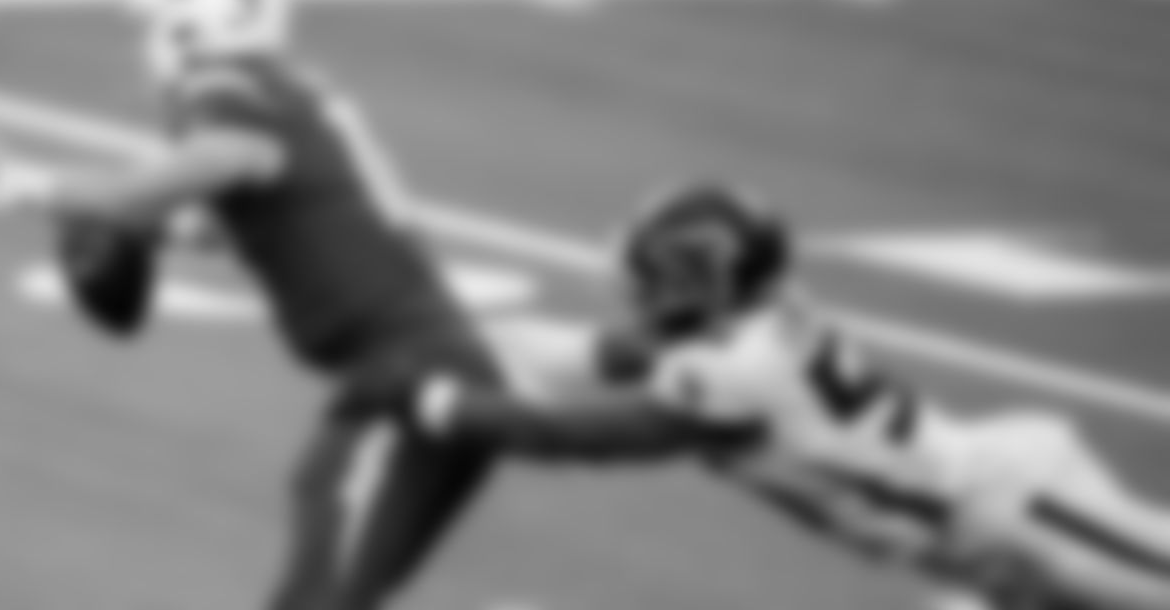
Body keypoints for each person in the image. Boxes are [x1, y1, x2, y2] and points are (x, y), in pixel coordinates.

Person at [347, 181, 1170, 610]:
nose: (636, 286)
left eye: (652, 272)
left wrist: (431, 400)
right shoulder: (750, 327)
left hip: (1015, 511)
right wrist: (471, 338)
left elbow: (575, 439)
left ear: (699, 280)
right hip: (980, 532)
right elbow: (614, 353)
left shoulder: (733, 372)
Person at [19, 0, 509, 610]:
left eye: (158, 23)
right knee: (326, 576)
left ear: (192, 24)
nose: (149, 44)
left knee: (320, 584)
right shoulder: (284, 90)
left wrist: (39, 186)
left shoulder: (226, 87)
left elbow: (216, 161)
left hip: (409, 377)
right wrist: (149, 228)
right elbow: (250, 219)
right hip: (416, 369)